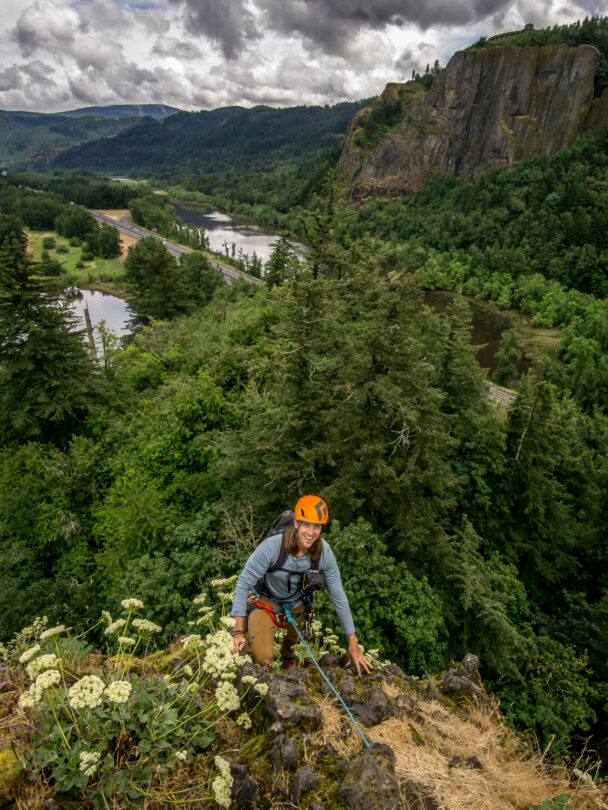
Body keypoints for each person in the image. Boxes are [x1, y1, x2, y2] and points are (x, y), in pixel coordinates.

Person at [230, 495, 373, 676]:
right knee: (263, 659)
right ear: (296, 523)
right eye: (306, 524)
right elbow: (243, 583)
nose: (311, 532)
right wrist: (238, 632)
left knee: (291, 643)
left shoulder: (323, 553)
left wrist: (353, 641)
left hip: (297, 604)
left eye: (316, 526)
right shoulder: (273, 546)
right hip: (265, 600)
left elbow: (338, 595)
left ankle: (287, 655)